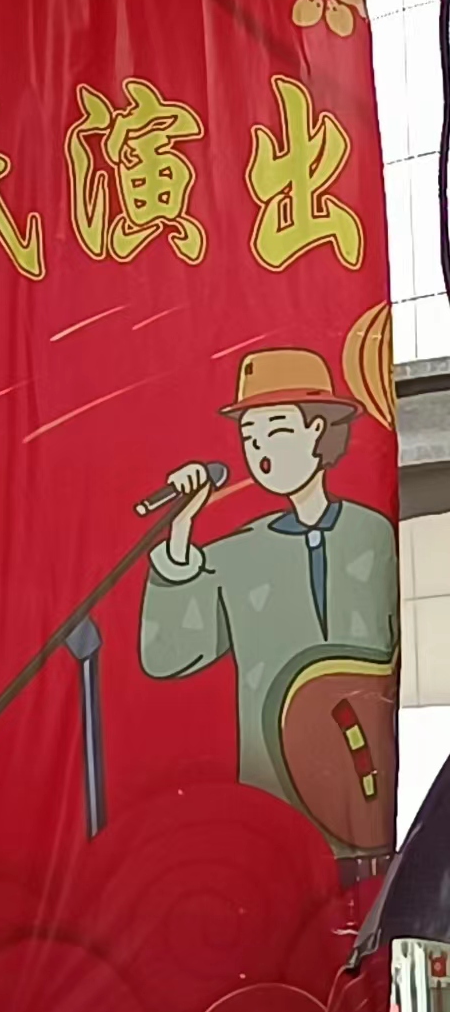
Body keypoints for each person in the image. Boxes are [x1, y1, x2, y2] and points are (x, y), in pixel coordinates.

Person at [141, 347, 397, 875]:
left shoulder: (372, 533)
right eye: (250, 436)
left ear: (317, 431)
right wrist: (181, 539)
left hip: (363, 795)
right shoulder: (234, 554)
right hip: (276, 800)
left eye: (276, 431)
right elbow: (168, 656)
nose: (260, 450)